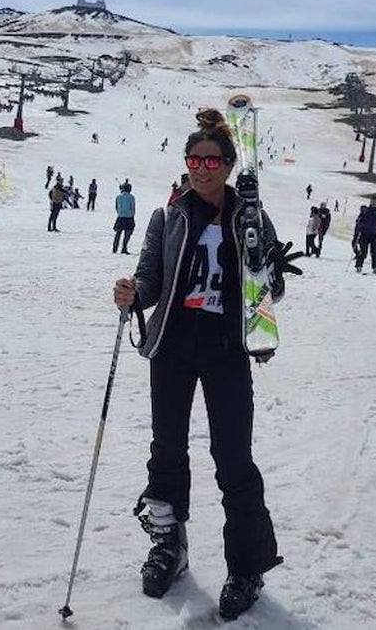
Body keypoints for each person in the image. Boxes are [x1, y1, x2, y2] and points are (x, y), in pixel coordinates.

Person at [112, 108, 302, 617]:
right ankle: (169, 548)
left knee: (233, 458)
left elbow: (271, 289)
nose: (201, 168)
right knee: (167, 449)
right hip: (174, 344)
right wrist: (133, 294)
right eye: (193, 159)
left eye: (211, 160)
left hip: (226, 348)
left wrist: (267, 273)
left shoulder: (252, 218)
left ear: (229, 163)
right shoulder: (167, 216)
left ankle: (246, 566)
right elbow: (151, 279)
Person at [113, 181, 136, 254]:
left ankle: (115, 248)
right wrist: (132, 216)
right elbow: (132, 208)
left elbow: (116, 207)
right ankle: (124, 248)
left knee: (118, 234)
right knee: (127, 234)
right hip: (129, 217)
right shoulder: (131, 197)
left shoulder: (118, 197)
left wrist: (120, 213)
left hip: (120, 217)